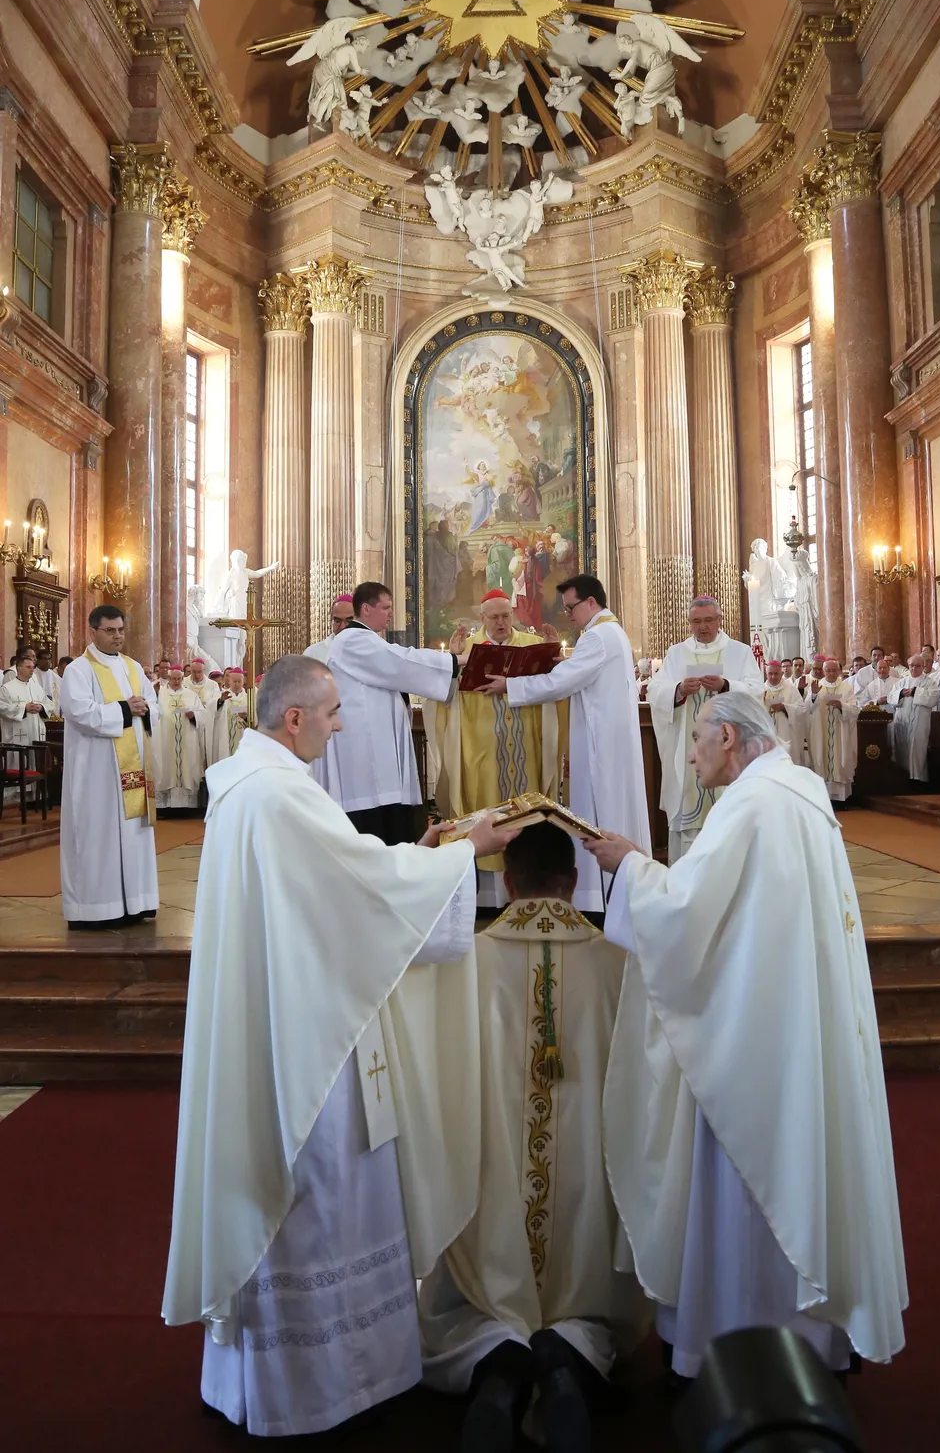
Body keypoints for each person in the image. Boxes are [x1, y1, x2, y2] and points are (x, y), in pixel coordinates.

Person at [162, 655, 517, 1437]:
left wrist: (421, 854)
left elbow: (343, 880)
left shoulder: (247, 786)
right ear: (295, 719)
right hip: (307, 1042)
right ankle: (327, 1383)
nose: (341, 723)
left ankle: (273, 1380)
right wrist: (465, 853)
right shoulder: (283, 797)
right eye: (331, 712)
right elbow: (359, 896)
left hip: (283, 1012)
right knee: (325, 1192)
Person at [588, 692, 906, 1383]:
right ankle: (812, 1338)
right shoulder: (801, 791)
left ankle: (735, 1343)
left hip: (750, 1045)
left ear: (728, 737)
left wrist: (628, 867)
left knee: (747, 1185)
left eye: (698, 740)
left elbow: (684, 915)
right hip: (791, 1028)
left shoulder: (752, 807)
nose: (691, 752)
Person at [418, 822, 648, 1451]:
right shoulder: (617, 961)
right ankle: (566, 1357)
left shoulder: (467, 959)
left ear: (508, 881)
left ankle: (497, 1366)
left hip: (491, 1175)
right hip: (583, 1183)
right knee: (592, 1296)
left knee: (469, 1298)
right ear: (573, 883)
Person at [479, 575, 650, 915]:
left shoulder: (597, 637)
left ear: (591, 603)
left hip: (600, 746)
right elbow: (578, 675)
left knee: (600, 813)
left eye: (572, 607)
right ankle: (622, 891)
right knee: (615, 810)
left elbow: (561, 684)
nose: (569, 614)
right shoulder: (611, 633)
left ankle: (600, 902)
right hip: (612, 741)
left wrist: (511, 686)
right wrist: (567, 667)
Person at [426, 590, 563, 908]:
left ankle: (528, 890)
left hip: (526, 747)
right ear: (482, 619)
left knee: (525, 814)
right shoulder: (468, 649)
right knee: (486, 812)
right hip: (482, 749)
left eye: (506, 615)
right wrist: (453, 666)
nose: (501, 622)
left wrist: (555, 657)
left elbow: (556, 689)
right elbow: (444, 699)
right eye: (494, 617)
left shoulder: (531, 647)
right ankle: (489, 900)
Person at [322, 582, 461, 843]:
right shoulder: (351, 639)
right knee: (374, 825)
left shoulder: (367, 640)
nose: (390, 613)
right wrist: (454, 661)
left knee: (391, 819)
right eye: (385, 607)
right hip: (364, 755)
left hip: (378, 748)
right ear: (365, 608)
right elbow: (401, 661)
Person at [58, 605, 159, 930]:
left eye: (120, 630)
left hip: (133, 769)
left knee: (134, 834)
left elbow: (152, 705)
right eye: (110, 631)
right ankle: (97, 907)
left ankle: (136, 902)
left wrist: (144, 708)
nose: (117, 636)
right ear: (93, 631)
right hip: (97, 773)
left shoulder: (132, 667)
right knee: (97, 834)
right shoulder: (79, 670)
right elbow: (79, 711)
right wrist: (125, 710)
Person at [647, 597, 762, 861]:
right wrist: (678, 690)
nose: (703, 627)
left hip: (727, 747)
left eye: (708, 620)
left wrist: (726, 685)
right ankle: (687, 878)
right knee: (690, 812)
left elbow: (757, 691)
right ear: (689, 623)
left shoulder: (739, 651)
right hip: (689, 749)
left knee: (730, 818)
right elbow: (656, 689)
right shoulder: (676, 653)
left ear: (719, 620)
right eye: (696, 621)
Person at [807, 656, 859, 805]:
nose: (831, 673)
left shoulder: (846, 688)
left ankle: (841, 800)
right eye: (828, 670)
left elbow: (855, 709)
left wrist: (842, 706)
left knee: (840, 760)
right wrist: (815, 695)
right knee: (822, 760)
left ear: (839, 671)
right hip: (821, 733)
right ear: (823, 671)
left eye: (834, 670)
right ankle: (824, 800)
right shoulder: (817, 686)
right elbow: (807, 709)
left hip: (841, 733)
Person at [153, 666, 205, 811]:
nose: (176, 681)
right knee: (166, 767)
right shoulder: (160, 693)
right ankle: (164, 806)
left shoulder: (191, 694)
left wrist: (193, 716)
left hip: (186, 739)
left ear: (183, 679)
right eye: (173, 678)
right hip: (165, 739)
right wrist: (155, 693)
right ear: (168, 679)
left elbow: (202, 713)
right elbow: (152, 710)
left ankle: (186, 807)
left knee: (187, 768)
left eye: (179, 679)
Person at [887, 653, 939, 784]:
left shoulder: (929, 682)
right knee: (902, 749)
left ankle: (917, 779)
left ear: (923, 666)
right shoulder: (901, 682)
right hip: (902, 722)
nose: (913, 669)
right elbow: (890, 697)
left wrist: (915, 692)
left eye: (917, 666)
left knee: (917, 749)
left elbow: (933, 698)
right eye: (911, 666)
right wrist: (900, 694)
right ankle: (903, 778)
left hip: (919, 723)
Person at [0, 646, 54, 745]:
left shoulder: (37, 688)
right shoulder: (7, 688)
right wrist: (24, 708)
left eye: (33, 667)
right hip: (16, 736)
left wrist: (41, 707)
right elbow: (2, 708)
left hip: (36, 734)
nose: (32, 670)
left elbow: (51, 705)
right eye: (28, 667)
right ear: (19, 668)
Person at [761, 659, 806, 759]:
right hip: (768, 735)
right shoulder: (761, 690)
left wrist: (784, 707)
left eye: (776, 674)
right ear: (766, 674)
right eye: (770, 674)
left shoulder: (790, 688)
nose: (773, 677)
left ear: (781, 673)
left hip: (787, 734)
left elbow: (801, 709)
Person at [208, 667, 249, 763]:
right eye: (234, 681)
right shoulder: (222, 695)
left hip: (243, 738)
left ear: (243, 682)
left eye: (239, 681)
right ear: (229, 681)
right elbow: (210, 708)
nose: (236, 684)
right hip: (225, 738)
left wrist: (246, 718)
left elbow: (255, 720)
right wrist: (221, 701)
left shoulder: (248, 698)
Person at [305, 593, 355, 663]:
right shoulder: (313, 653)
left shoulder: (368, 650)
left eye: (348, 621)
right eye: (337, 621)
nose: (342, 626)